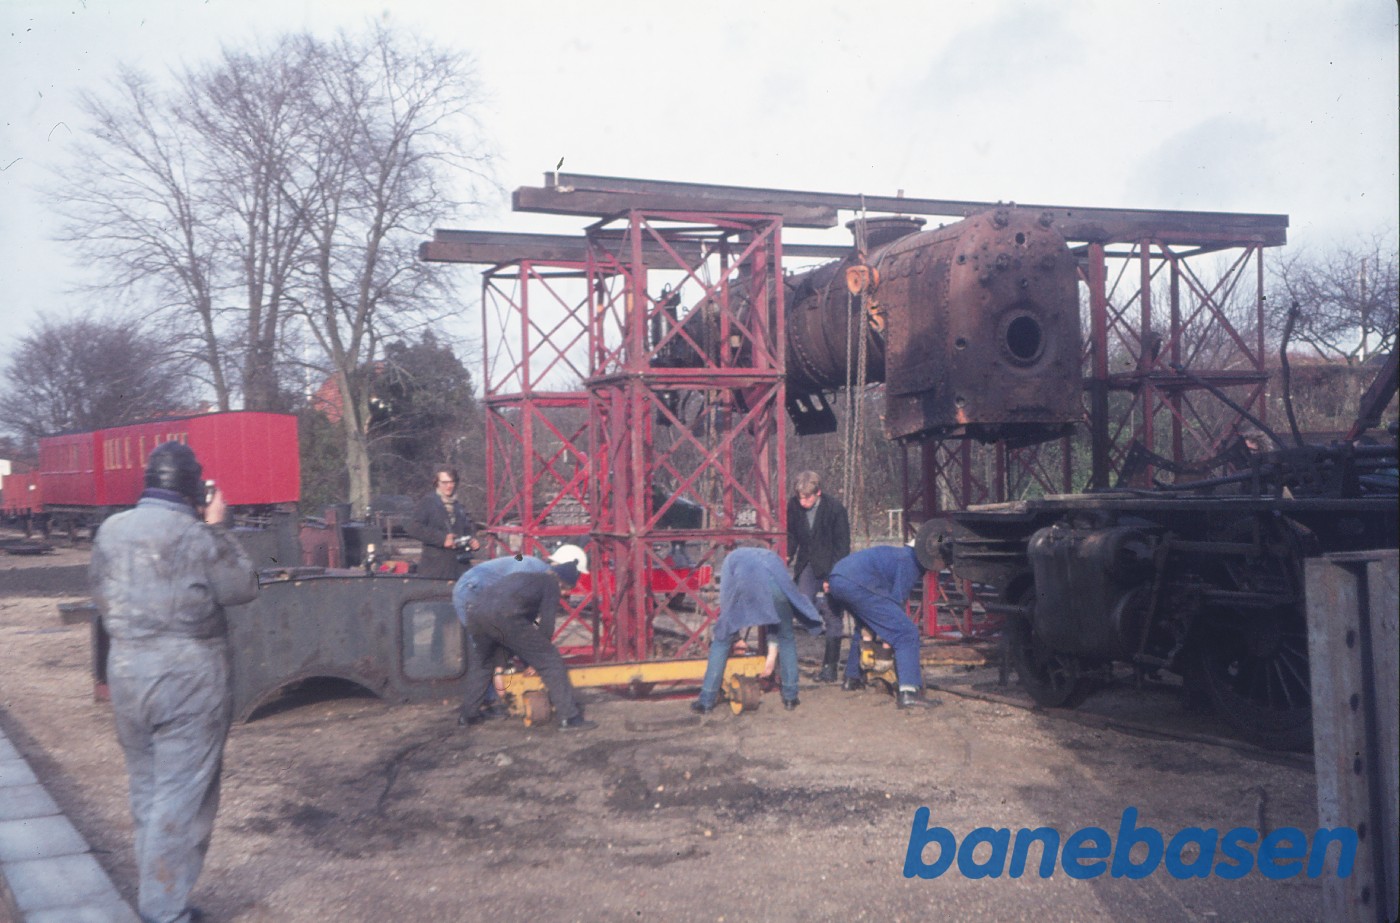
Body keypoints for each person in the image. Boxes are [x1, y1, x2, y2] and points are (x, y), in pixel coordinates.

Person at [90, 442, 259, 923]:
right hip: (188, 676)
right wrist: (218, 528)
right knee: (182, 794)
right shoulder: (197, 535)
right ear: (193, 487)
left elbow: (99, 594)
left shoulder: (110, 529)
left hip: (126, 670)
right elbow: (241, 588)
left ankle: (155, 896)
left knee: (146, 786)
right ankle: (163, 910)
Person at [451, 544, 590, 720]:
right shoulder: (534, 569)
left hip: (478, 605)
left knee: (484, 660)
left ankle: (469, 714)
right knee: (543, 656)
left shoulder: (528, 562)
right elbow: (521, 620)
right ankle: (567, 716)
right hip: (473, 592)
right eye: (566, 589)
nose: (566, 594)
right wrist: (532, 659)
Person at [691, 547, 822, 714]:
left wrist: (734, 636)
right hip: (780, 591)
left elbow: (726, 601)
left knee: (721, 639)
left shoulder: (731, 559)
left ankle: (706, 701)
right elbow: (779, 588)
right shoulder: (770, 555)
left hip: (751, 586)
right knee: (786, 638)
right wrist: (771, 657)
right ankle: (791, 697)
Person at [826, 542, 936, 709]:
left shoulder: (899, 554)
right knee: (906, 633)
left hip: (837, 577)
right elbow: (897, 601)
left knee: (865, 624)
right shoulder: (910, 561)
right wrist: (887, 643)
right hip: (856, 582)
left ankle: (852, 679)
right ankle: (909, 693)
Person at [785, 470, 851, 682]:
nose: (803, 501)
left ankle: (829, 668)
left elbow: (842, 546)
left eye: (807, 497)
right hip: (807, 563)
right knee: (803, 601)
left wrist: (832, 576)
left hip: (831, 565)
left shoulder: (835, 509)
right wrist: (787, 553)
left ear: (818, 493)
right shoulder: (794, 506)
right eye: (800, 497)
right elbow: (792, 534)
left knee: (833, 616)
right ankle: (816, 624)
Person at [404, 467, 479, 580]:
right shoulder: (428, 502)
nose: (449, 486)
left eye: (451, 482)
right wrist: (442, 539)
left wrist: (472, 540)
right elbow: (413, 527)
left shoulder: (458, 506)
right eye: (444, 482)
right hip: (436, 569)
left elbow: (467, 529)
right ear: (436, 483)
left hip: (460, 568)